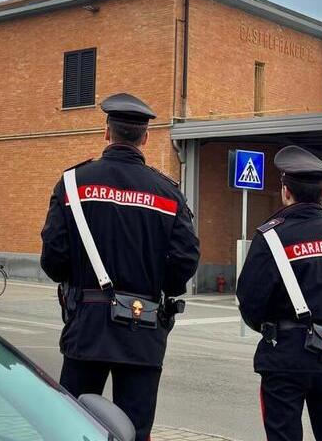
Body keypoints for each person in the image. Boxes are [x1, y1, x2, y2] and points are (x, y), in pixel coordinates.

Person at [40, 93, 200, 441]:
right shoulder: (168, 193)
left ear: (106, 132)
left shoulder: (72, 184)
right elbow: (186, 260)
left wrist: (78, 282)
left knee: (75, 425)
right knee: (135, 430)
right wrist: (160, 286)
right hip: (143, 330)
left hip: (87, 327)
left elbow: (53, 258)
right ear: (145, 137)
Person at [237, 145, 322, 441]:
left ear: (286, 191)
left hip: (285, 354)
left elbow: (250, 302)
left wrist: (275, 329)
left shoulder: (271, 237)